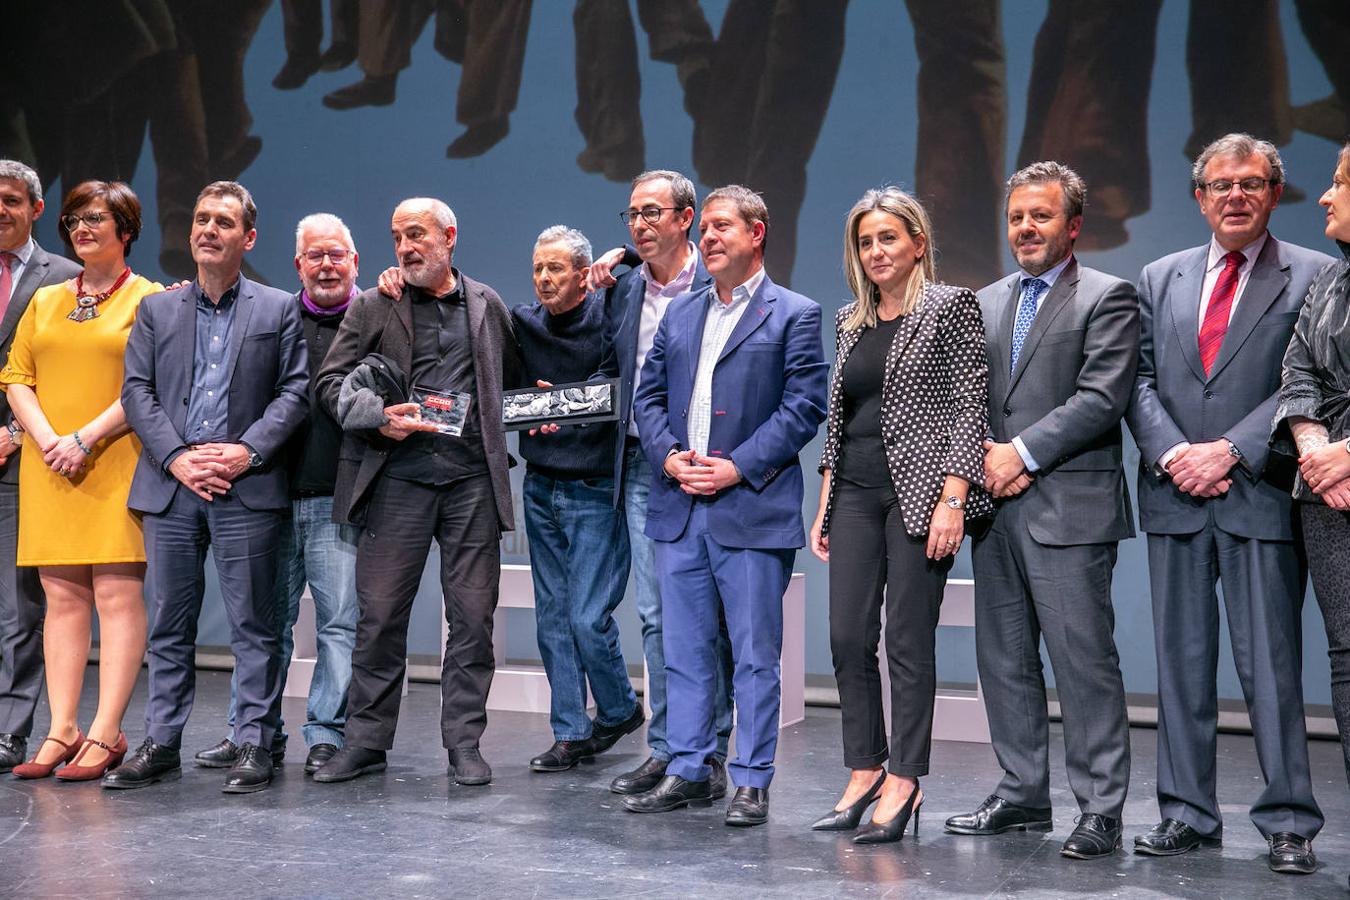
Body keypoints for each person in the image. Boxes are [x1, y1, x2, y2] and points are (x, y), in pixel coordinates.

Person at [1128, 134, 1331, 873]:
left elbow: (1307, 379)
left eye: (1251, 183)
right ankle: (1186, 812)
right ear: (1199, 197)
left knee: (1271, 669)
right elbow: (1138, 378)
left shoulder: (1316, 274)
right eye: (1221, 184)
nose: (1235, 195)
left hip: (1258, 493)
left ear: (1275, 193)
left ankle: (1288, 821)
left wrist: (1233, 449)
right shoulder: (1159, 276)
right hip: (1176, 491)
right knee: (1180, 665)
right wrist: (1177, 454)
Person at [945, 162, 1139, 859]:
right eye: (1017, 217)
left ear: (1074, 225)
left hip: (1068, 508)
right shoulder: (984, 300)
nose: (1026, 227)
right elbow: (966, 397)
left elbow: (1100, 399)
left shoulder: (1108, 298)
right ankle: (1022, 792)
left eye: (1042, 216)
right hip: (996, 512)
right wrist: (986, 461)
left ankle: (1102, 809)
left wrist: (1018, 455)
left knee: (1082, 662)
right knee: (1003, 659)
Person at [625, 185, 828, 826]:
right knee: (681, 652)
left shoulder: (794, 313)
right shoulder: (682, 315)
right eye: (705, 228)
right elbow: (647, 399)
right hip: (679, 505)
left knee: (752, 655)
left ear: (756, 233)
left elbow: (804, 408)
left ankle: (751, 778)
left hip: (750, 508)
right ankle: (689, 767)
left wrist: (737, 466)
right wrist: (666, 456)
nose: (708, 238)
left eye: (721, 227)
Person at [105, 181, 309, 794]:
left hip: (244, 486)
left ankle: (253, 742)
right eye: (200, 219)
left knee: (254, 625)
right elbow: (136, 392)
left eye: (223, 222)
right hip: (173, 488)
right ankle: (162, 741)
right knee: (169, 622)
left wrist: (247, 452)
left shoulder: (277, 308)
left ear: (247, 238)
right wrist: (175, 458)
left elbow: (296, 392)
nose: (208, 230)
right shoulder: (158, 309)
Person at [312, 197, 519, 786]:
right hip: (397, 477)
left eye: (417, 234)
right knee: (378, 620)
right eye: (398, 236)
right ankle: (366, 743)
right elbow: (328, 384)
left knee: (473, 620)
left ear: (449, 236)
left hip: (471, 483)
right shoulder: (377, 304)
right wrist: (377, 415)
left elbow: (516, 380)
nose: (405, 247)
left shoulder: (485, 305)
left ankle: (464, 745)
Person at [807, 187, 991, 842]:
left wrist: (954, 497)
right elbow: (841, 417)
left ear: (918, 243)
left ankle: (905, 780)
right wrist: (825, 498)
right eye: (866, 241)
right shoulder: (849, 319)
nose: (877, 250)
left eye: (889, 237)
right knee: (846, 637)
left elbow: (971, 409)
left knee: (907, 642)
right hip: (854, 492)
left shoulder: (951, 307)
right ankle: (864, 768)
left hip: (920, 496)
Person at [0, 181, 160, 781]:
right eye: (74, 218)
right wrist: (45, 440)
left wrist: (82, 439)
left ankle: (106, 730)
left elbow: (145, 384)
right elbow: (16, 376)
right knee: (62, 599)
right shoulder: (46, 299)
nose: (82, 228)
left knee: (116, 596)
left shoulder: (149, 300)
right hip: (49, 465)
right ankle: (62, 727)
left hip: (113, 458)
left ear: (126, 229)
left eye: (97, 218)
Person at [194, 214, 363, 777]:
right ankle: (253, 733)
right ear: (298, 265)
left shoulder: (377, 319)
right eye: (314, 256)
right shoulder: (273, 315)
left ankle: (325, 734)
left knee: (339, 624)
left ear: (355, 262)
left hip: (340, 499)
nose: (326, 265)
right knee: (264, 625)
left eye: (336, 254)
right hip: (267, 496)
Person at [589, 170, 735, 798]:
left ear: (685, 217)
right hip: (643, 466)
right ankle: (671, 749)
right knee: (655, 615)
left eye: (653, 212)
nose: (641, 224)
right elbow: (612, 372)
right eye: (631, 215)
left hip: (709, 467)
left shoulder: (720, 278)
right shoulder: (621, 291)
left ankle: (713, 751)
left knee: (711, 617)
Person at [513, 225, 642, 772]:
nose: (544, 278)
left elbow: (657, 274)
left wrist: (626, 254)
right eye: (539, 267)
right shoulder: (523, 323)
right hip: (541, 484)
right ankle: (569, 730)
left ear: (584, 275)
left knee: (588, 617)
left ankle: (617, 708)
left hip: (593, 485)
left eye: (557, 268)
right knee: (552, 618)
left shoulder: (611, 311)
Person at [1273, 141, 1350, 889]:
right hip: (1326, 497)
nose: (1324, 197)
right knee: (1348, 662)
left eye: (1339, 183)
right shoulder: (1331, 282)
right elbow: (1298, 370)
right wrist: (1316, 448)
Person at [0, 160, 80, 774]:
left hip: (17, 459)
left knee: (19, 608)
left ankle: (11, 728)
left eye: (9, 199)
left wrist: (12, 432)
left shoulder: (69, 278)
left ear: (34, 206)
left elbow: (63, 380)